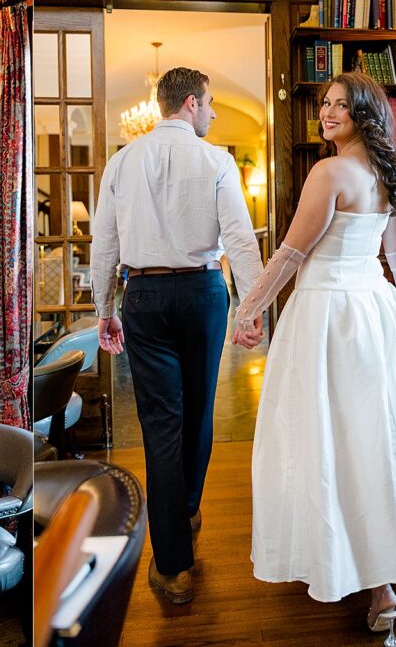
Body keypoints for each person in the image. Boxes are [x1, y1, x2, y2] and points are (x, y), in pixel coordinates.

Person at [232, 72, 396, 634]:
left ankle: (347, 563)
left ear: (365, 114)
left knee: (327, 442)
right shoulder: (392, 174)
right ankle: (382, 581)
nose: (327, 113)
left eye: (341, 105)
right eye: (325, 105)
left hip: (327, 318)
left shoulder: (330, 171)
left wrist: (247, 312)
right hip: (375, 314)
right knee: (373, 442)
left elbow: (292, 254)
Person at [89, 67, 264, 604]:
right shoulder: (215, 160)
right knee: (199, 410)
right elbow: (238, 237)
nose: (211, 113)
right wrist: (251, 310)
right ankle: (186, 509)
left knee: (161, 423)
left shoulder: (121, 161)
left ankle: (172, 568)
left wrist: (104, 308)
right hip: (205, 295)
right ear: (190, 103)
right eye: (209, 104)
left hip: (143, 296)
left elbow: (104, 243)